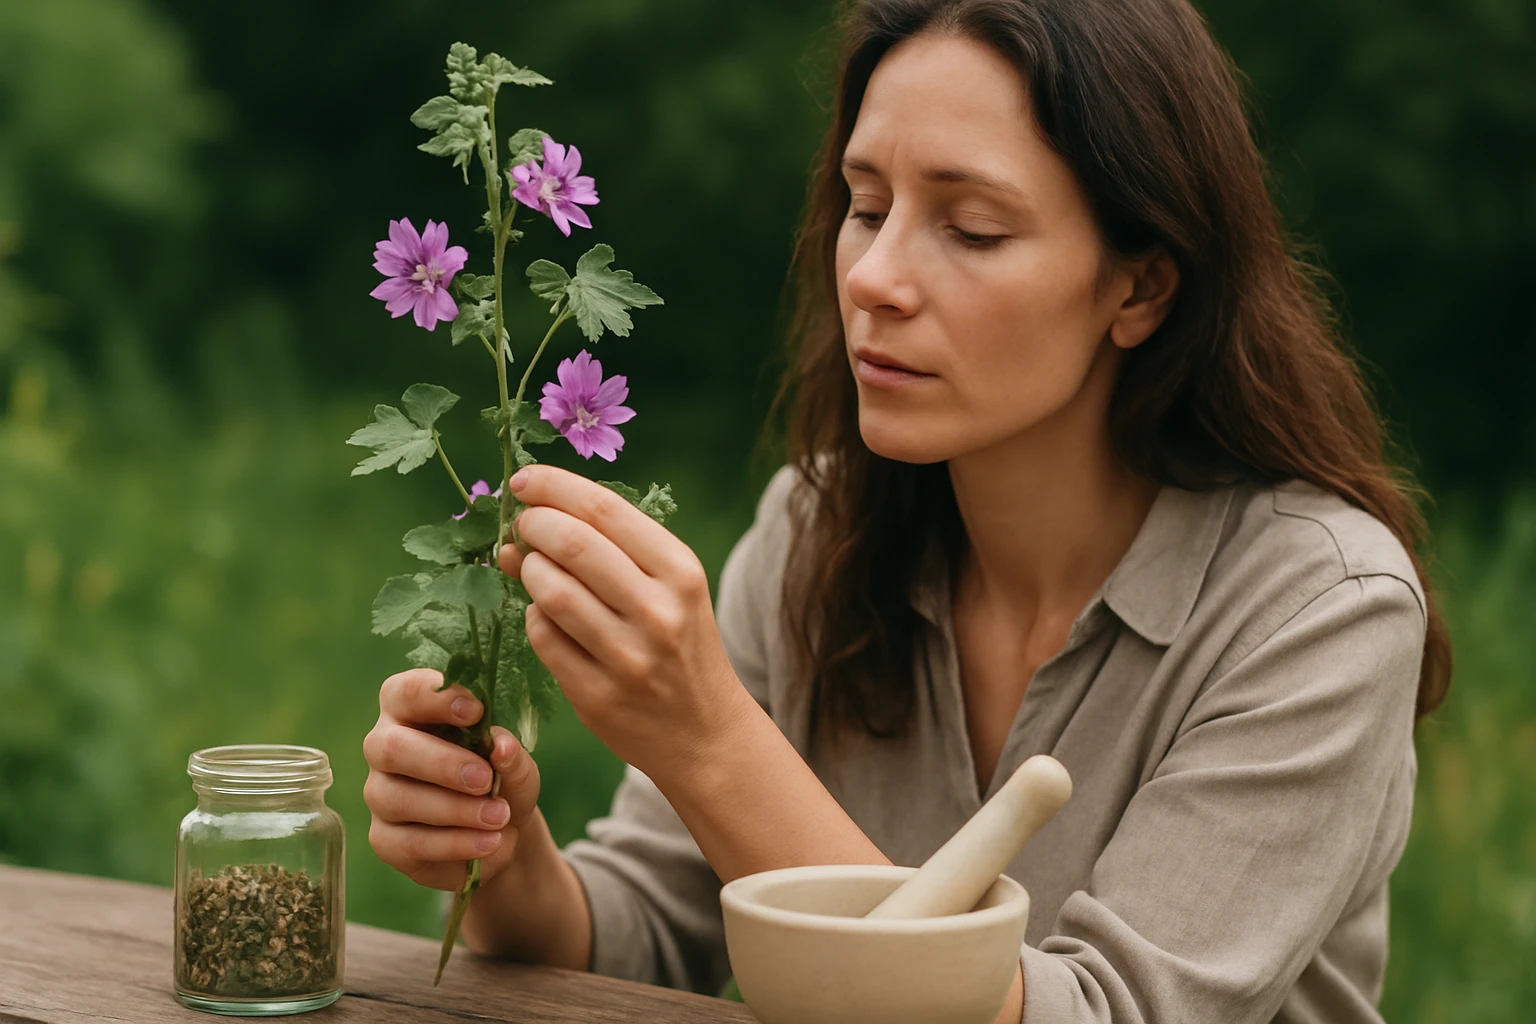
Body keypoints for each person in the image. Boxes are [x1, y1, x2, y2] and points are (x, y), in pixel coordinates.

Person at [360, 1, 1453, 1020]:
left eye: (972, 228)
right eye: (866, 206)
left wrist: (710, 741)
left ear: (1141, 287)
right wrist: (500, 855)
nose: (874, 276)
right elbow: (652, 935)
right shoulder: (814, 530)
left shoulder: (1321, 609)